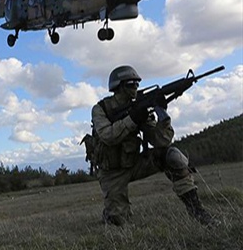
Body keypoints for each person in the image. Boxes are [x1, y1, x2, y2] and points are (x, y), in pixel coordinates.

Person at [91, 65, 213, 226]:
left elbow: (161, 141)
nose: (135, 87)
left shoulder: (138, 109)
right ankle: (110, 214)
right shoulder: (101, 109)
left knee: (172, 156)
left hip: (134, 164)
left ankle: (198, 213)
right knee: (118, 222)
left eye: (137, 84)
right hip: (111, 173)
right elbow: (108, 136)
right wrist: (132, 119)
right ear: (118, 86)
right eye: (131, 84)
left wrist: (162, 114)